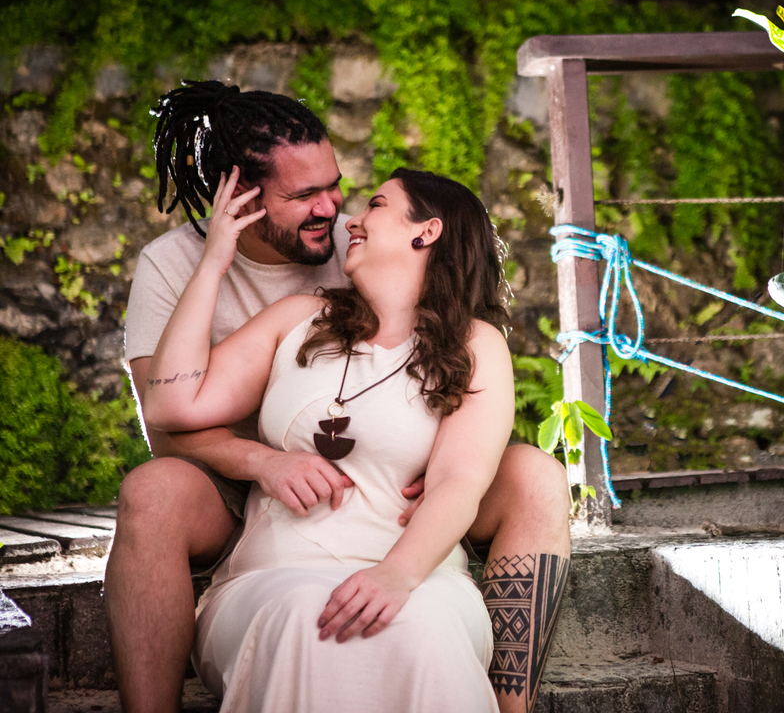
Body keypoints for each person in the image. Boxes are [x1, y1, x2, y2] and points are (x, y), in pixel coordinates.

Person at [107, 81, 571, 713]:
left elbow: (459, 469)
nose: (339, 211)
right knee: (158, 494)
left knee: (534, 480)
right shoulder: (189, 272)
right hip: (236, 491)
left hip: (394, 528)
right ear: (241, 195)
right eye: (305, 196)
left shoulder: (364, 265)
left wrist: (418, 502)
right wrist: (264, 461)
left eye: (342, 189)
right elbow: (165, 416)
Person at [142, 162, 509, 711]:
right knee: (303, 619)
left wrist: (395, 576)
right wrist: (214, 261)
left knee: (423, 630)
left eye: (376, 206)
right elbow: (171, 403)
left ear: (426, 231)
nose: (352, 220)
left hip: (417, 575)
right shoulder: (298, 318)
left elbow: (461, 479)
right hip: (272, 574)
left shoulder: (475, 345)